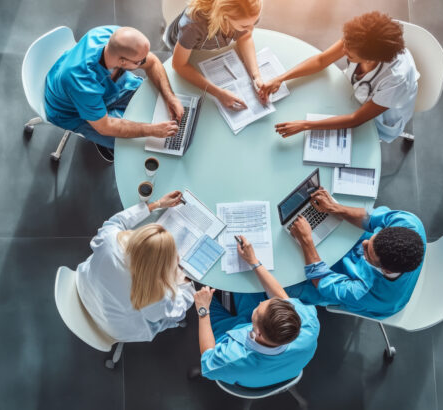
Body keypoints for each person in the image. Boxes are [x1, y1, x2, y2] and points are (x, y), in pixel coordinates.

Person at [259, 11, 420, 143]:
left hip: (381, 114)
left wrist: (306, 125)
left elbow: (355, 119)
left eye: (349, 53)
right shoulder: (359, 38)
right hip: (352, 92)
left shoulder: (396, 80)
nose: (343, 49)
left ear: (370, 59)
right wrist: (281, 78)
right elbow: (321, 60)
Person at [192, 235, 319, 388]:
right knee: (244, 283)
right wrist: (254, 262)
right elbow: (283, 298)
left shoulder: (232, 358)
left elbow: (208, 358)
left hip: (246, 364)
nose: (260, 302)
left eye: (258, 310)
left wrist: (203, 310)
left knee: (205, 299)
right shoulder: (309, 325)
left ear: (257, 332)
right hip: (283, 366)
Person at [45, 26, 183, 162]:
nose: (144, 61)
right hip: (72, 111)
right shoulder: (82, 80)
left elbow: (152, 62)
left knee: (154, 100)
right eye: (139, 62)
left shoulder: (114, 36)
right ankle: (106, 142)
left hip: (103, 90)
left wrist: (170, 97)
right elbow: (105, 126)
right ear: (122, 61)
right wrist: (152, 130)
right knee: (138, 145)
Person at [285, 188, 426, 319]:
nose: (364, 244)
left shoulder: (367, 294)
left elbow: (324, 283)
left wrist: (306, 241)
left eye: (368, 253)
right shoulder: (409, 223)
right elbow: (370, 219)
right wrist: (334, 208)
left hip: (368, 297)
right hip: (379, 268)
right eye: (371, 240)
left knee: (288, 288)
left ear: (385, 270)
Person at [75, 190, 195, 342]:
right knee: (170, 318)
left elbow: (116, 221)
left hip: (83, 286)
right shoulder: (153, 293)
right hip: (113, 327)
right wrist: (185, 284)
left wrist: (155, 205)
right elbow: (177, 311)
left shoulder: (109, 240)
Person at [166, 0, 268, 110]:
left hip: (206, 50)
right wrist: (218, 93)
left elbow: (245, 37)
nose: (251, 29)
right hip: (184, 47)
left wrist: (256, 76)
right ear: (224, 16)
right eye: (244, 25)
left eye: (255, 21)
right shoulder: (192, 26)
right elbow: (179, 65)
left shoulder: (245, 17)